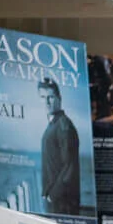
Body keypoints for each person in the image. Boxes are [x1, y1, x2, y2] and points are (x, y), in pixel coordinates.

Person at [39, 77, 81, 216]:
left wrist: (52, 195)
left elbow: (70, 167)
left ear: (59, 98)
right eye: (43, 97)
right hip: (55, 200)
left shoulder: (64, 126)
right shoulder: (52, 125)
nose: (46, 102)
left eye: (50, 97)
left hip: (63, 203)